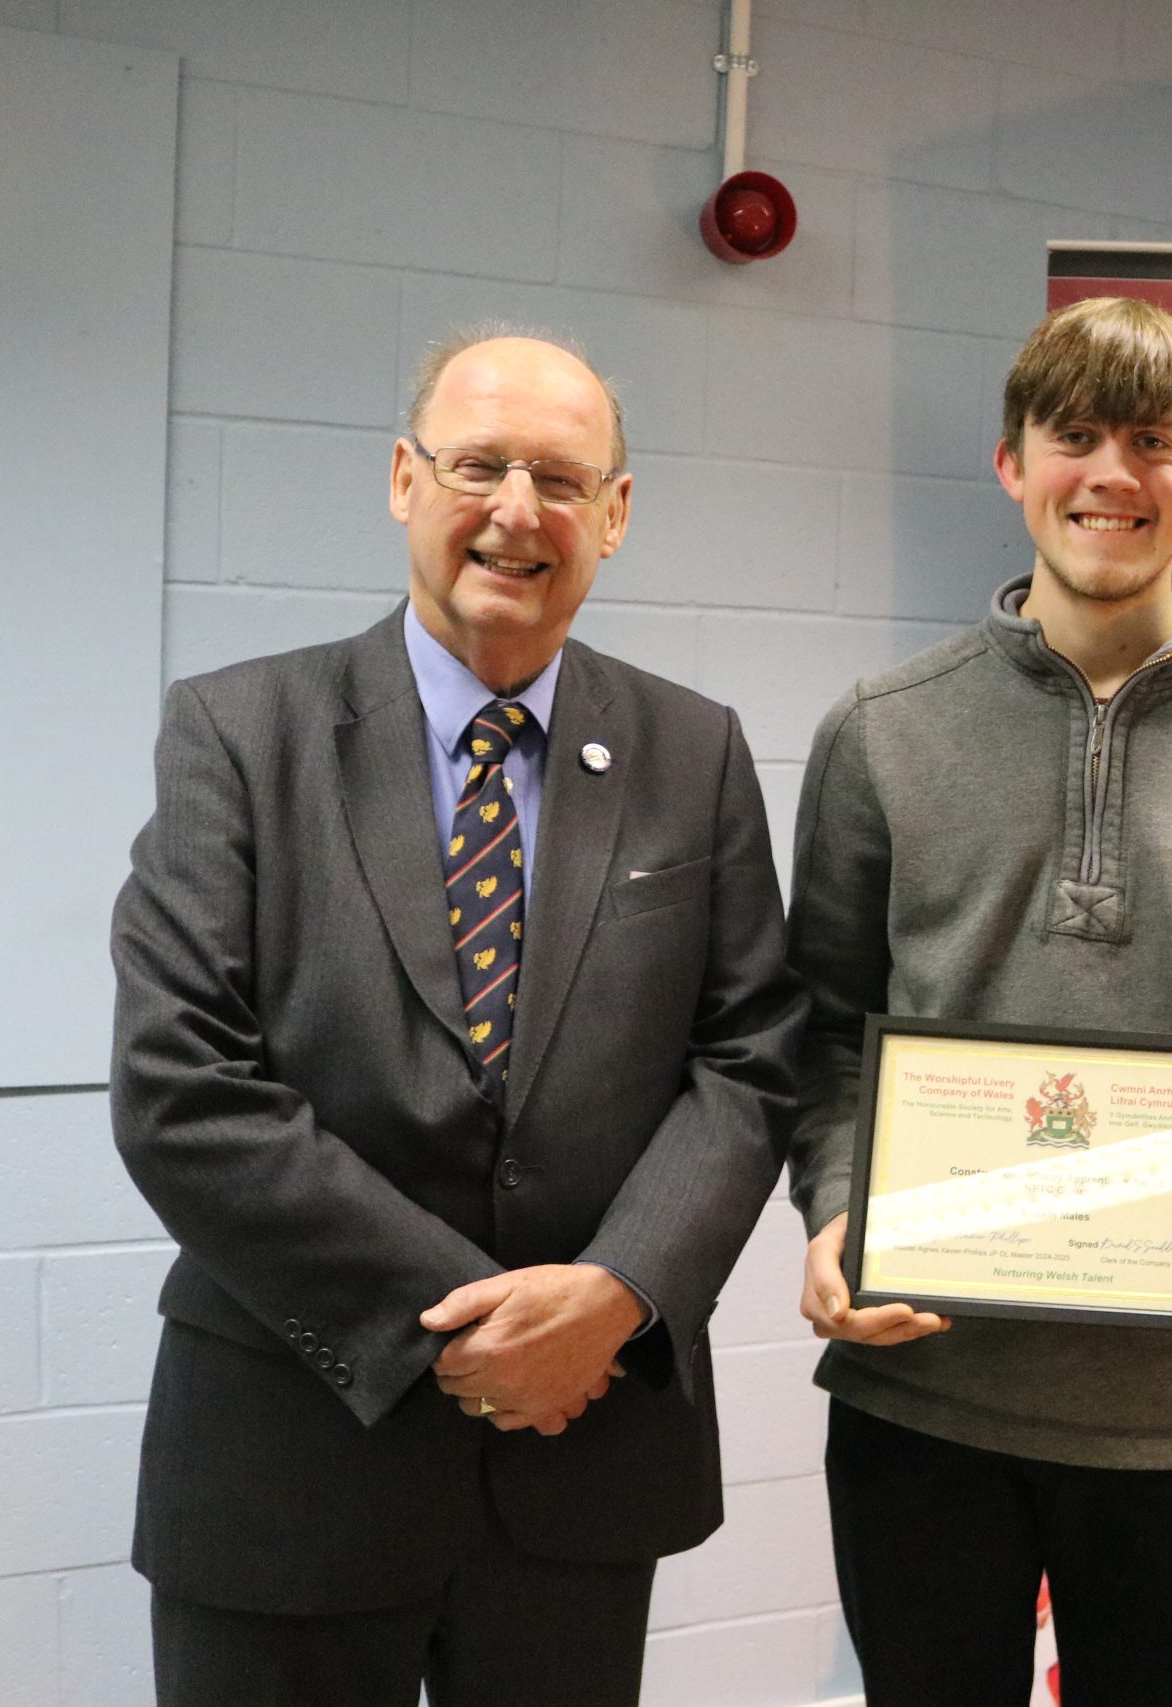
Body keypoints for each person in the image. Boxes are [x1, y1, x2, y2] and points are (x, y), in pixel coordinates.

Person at [109, 328, 806, 1706]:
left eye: (559, 476)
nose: (514, 511)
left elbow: (749, 1058)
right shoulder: (239, 734)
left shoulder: (693, 747)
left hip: (584, 1464)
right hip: (293, 1456)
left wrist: (611, 1298)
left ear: (615, 512)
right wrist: (468, 1331)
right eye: (477, 465)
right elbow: (182, 1082)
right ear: (402, 479)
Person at [785, 296, 1172, 1705]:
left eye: (1153, 439)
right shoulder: (881, 727)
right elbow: (817, 1026)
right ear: (1013, 462)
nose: (1112, 475)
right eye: (1075, 436)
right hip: (922, 1392)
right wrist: (832, 1203)